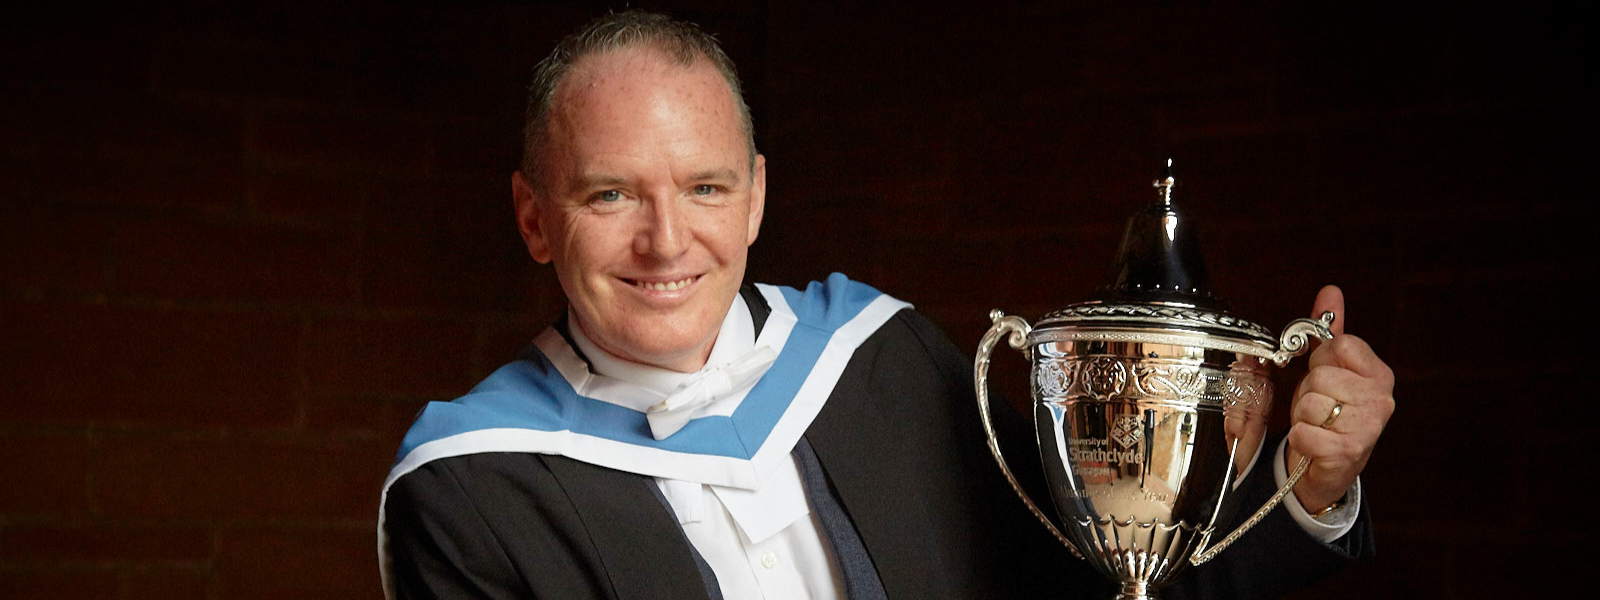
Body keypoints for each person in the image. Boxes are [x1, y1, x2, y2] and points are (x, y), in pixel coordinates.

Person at [378, 10, 1394, 600]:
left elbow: (1113, 576)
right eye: (611, 195)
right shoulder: (471, 487)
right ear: (534, 220)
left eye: (705, 187)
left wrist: (1310, 486)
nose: (667, 240)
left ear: (757, 197)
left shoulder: (879, 362)